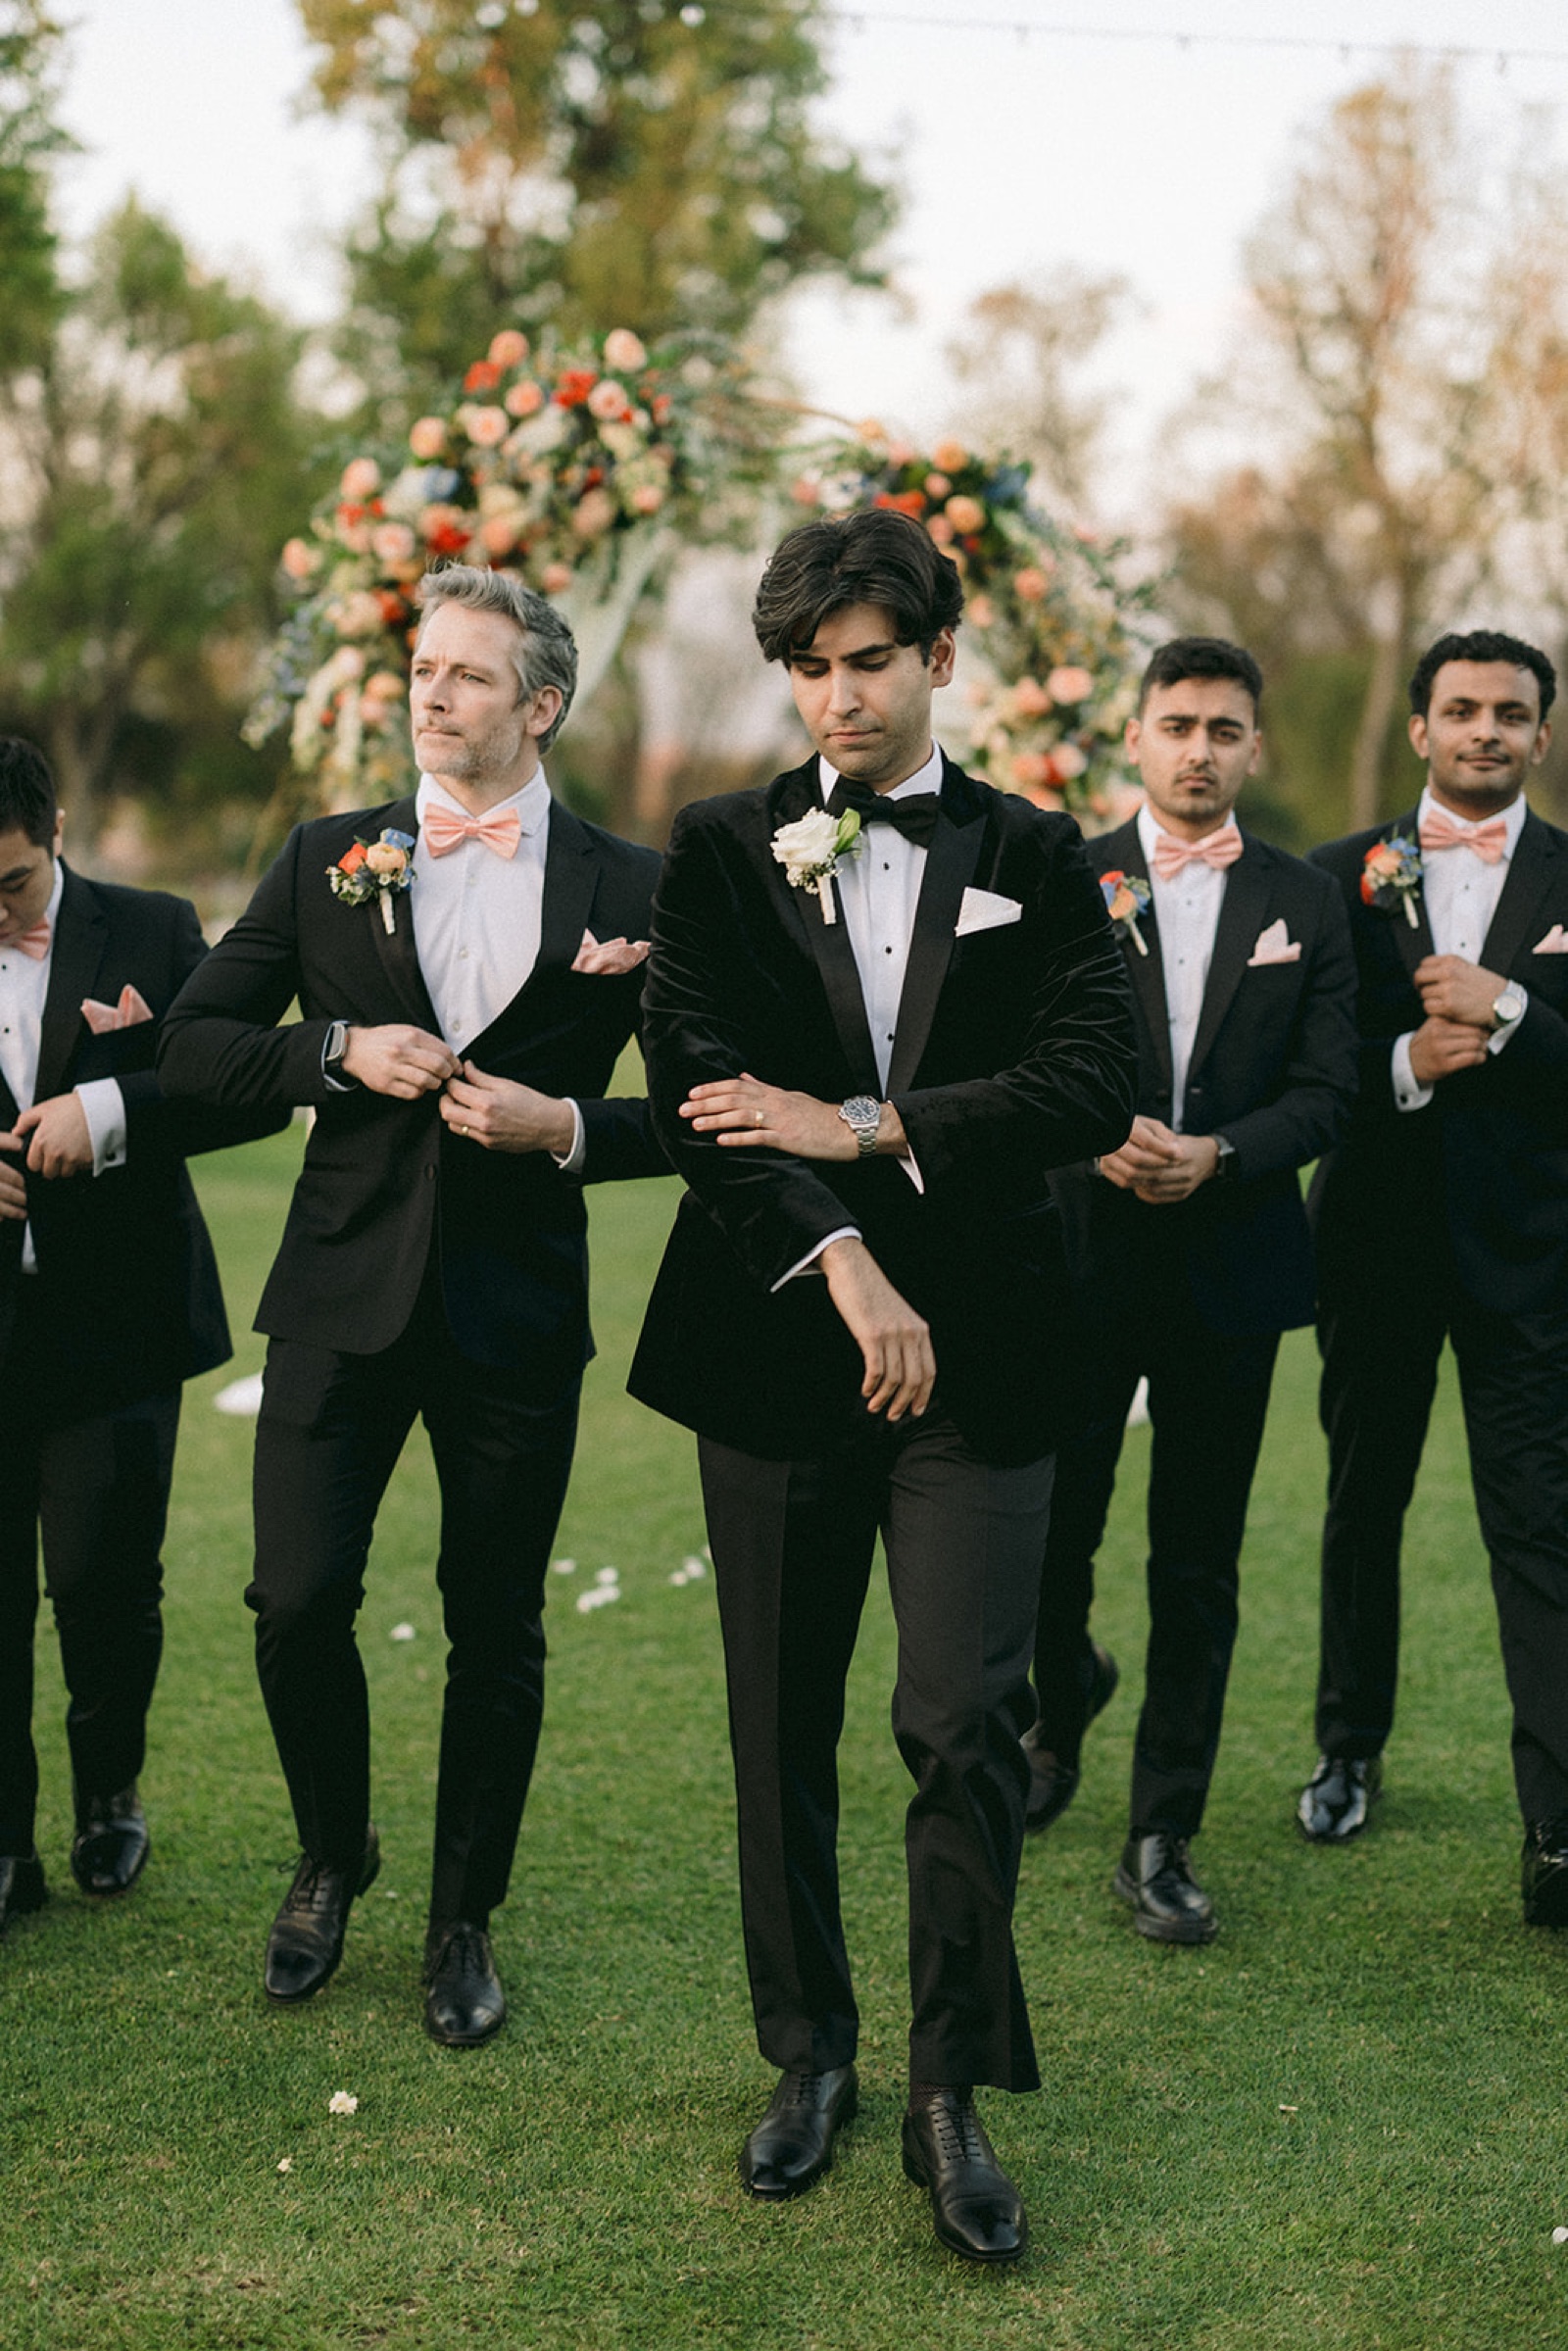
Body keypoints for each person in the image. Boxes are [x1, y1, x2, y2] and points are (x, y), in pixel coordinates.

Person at [627, 508, 1137, 2264]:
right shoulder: (718, 845)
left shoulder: (1040, 851)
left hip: (989, 1354)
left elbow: (1093, 1075)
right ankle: (810, 2050)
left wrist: (873, 1125)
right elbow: (696, 1084)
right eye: (811, 669)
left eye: (869, 662)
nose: (839, 698)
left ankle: (949, 2087)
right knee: (778, 1722)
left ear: (939, 658)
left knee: (962, 1719)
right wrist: (843, 1254)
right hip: (775, 1340)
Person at [158, 565, 663, 2040]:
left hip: (519, 1314)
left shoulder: (634, 888)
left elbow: (708, 1102)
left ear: (540, 706)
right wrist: (335, 1053)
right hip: (339, 1295)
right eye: (422, 667)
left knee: (495, 1624)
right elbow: (192, 1045)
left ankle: (461, 1918)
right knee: (294, 1596)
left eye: (467, 674)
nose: (430, 693)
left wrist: (567, 1125)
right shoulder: (329, 855)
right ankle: (334, 1851)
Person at [1025, 639, 1358, 1944]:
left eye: (1224, 728)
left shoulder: (1306, 899)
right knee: (1050, 1530)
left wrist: (1219, 1153)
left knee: (1197, 1559)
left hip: (1231, 1266)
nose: (1200, 749)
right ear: (1136, 736)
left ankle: (1161, 1831)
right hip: (1076, 1260)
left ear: (1253, 746)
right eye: (1177, 724)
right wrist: (1091, 1135)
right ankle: (1062, 1696)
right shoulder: (1068, 877)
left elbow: (1328, 1091)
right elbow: (1020, 1057)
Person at [1298, 629, 1568, 1928]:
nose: (1484, 731)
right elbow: (1297, 1067)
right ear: (1419, 728)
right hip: (1375, 1247)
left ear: (1541, 734)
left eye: (1509, 712)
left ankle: (1556, 1823)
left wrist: (1511, 1010)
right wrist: (1403, 1062)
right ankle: (1347, 1749)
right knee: (1364, 1501)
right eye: (1461, 709)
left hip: (1536, 1258)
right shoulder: (1331, 876)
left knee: (1539, 1522)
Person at [0, 737, 285, 1939]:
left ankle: (107, 1794)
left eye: (11, 883)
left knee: (103, 1585)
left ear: (56, 832)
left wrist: (110, 1111)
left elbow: (248, 1082)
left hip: (115, 1325)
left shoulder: (155, 926)